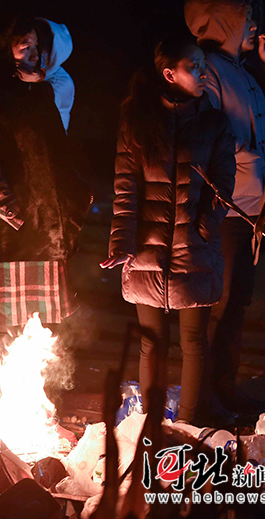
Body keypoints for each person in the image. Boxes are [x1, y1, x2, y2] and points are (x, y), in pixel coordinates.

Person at [101, 37, 236, 424]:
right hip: (147, 250)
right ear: (169, 74)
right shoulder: (138, 122)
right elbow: (125, 187)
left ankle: (189, 428)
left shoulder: (214, 123)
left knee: (194, 343)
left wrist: (205, 229)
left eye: (203, 65)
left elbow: (223, 183)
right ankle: (152, 428)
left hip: (195, 248)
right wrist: (123, 243)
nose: (204, 73)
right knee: (151, 344)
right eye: (194, 66)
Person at [0, 16, 92, 348]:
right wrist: (10, 211)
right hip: (6, 235)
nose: (34, 52)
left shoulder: (46, 94)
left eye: (39, 45)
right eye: (25, 44)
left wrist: (76, 200)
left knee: (44, 332)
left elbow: (58, 155)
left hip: (48, 234)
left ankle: (39, 399)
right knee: (1, 333)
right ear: (9, 48)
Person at [185, 0, 265, 413]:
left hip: (254, 206)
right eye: (248, 17)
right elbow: (208, 132)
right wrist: (243, 153)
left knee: (238, 301)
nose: (254, 26)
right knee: (222, 301)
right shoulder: (209, 69)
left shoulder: (241, 70)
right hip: (226, 205)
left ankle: (223, 386)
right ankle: (207, 392)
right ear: (227, 22)